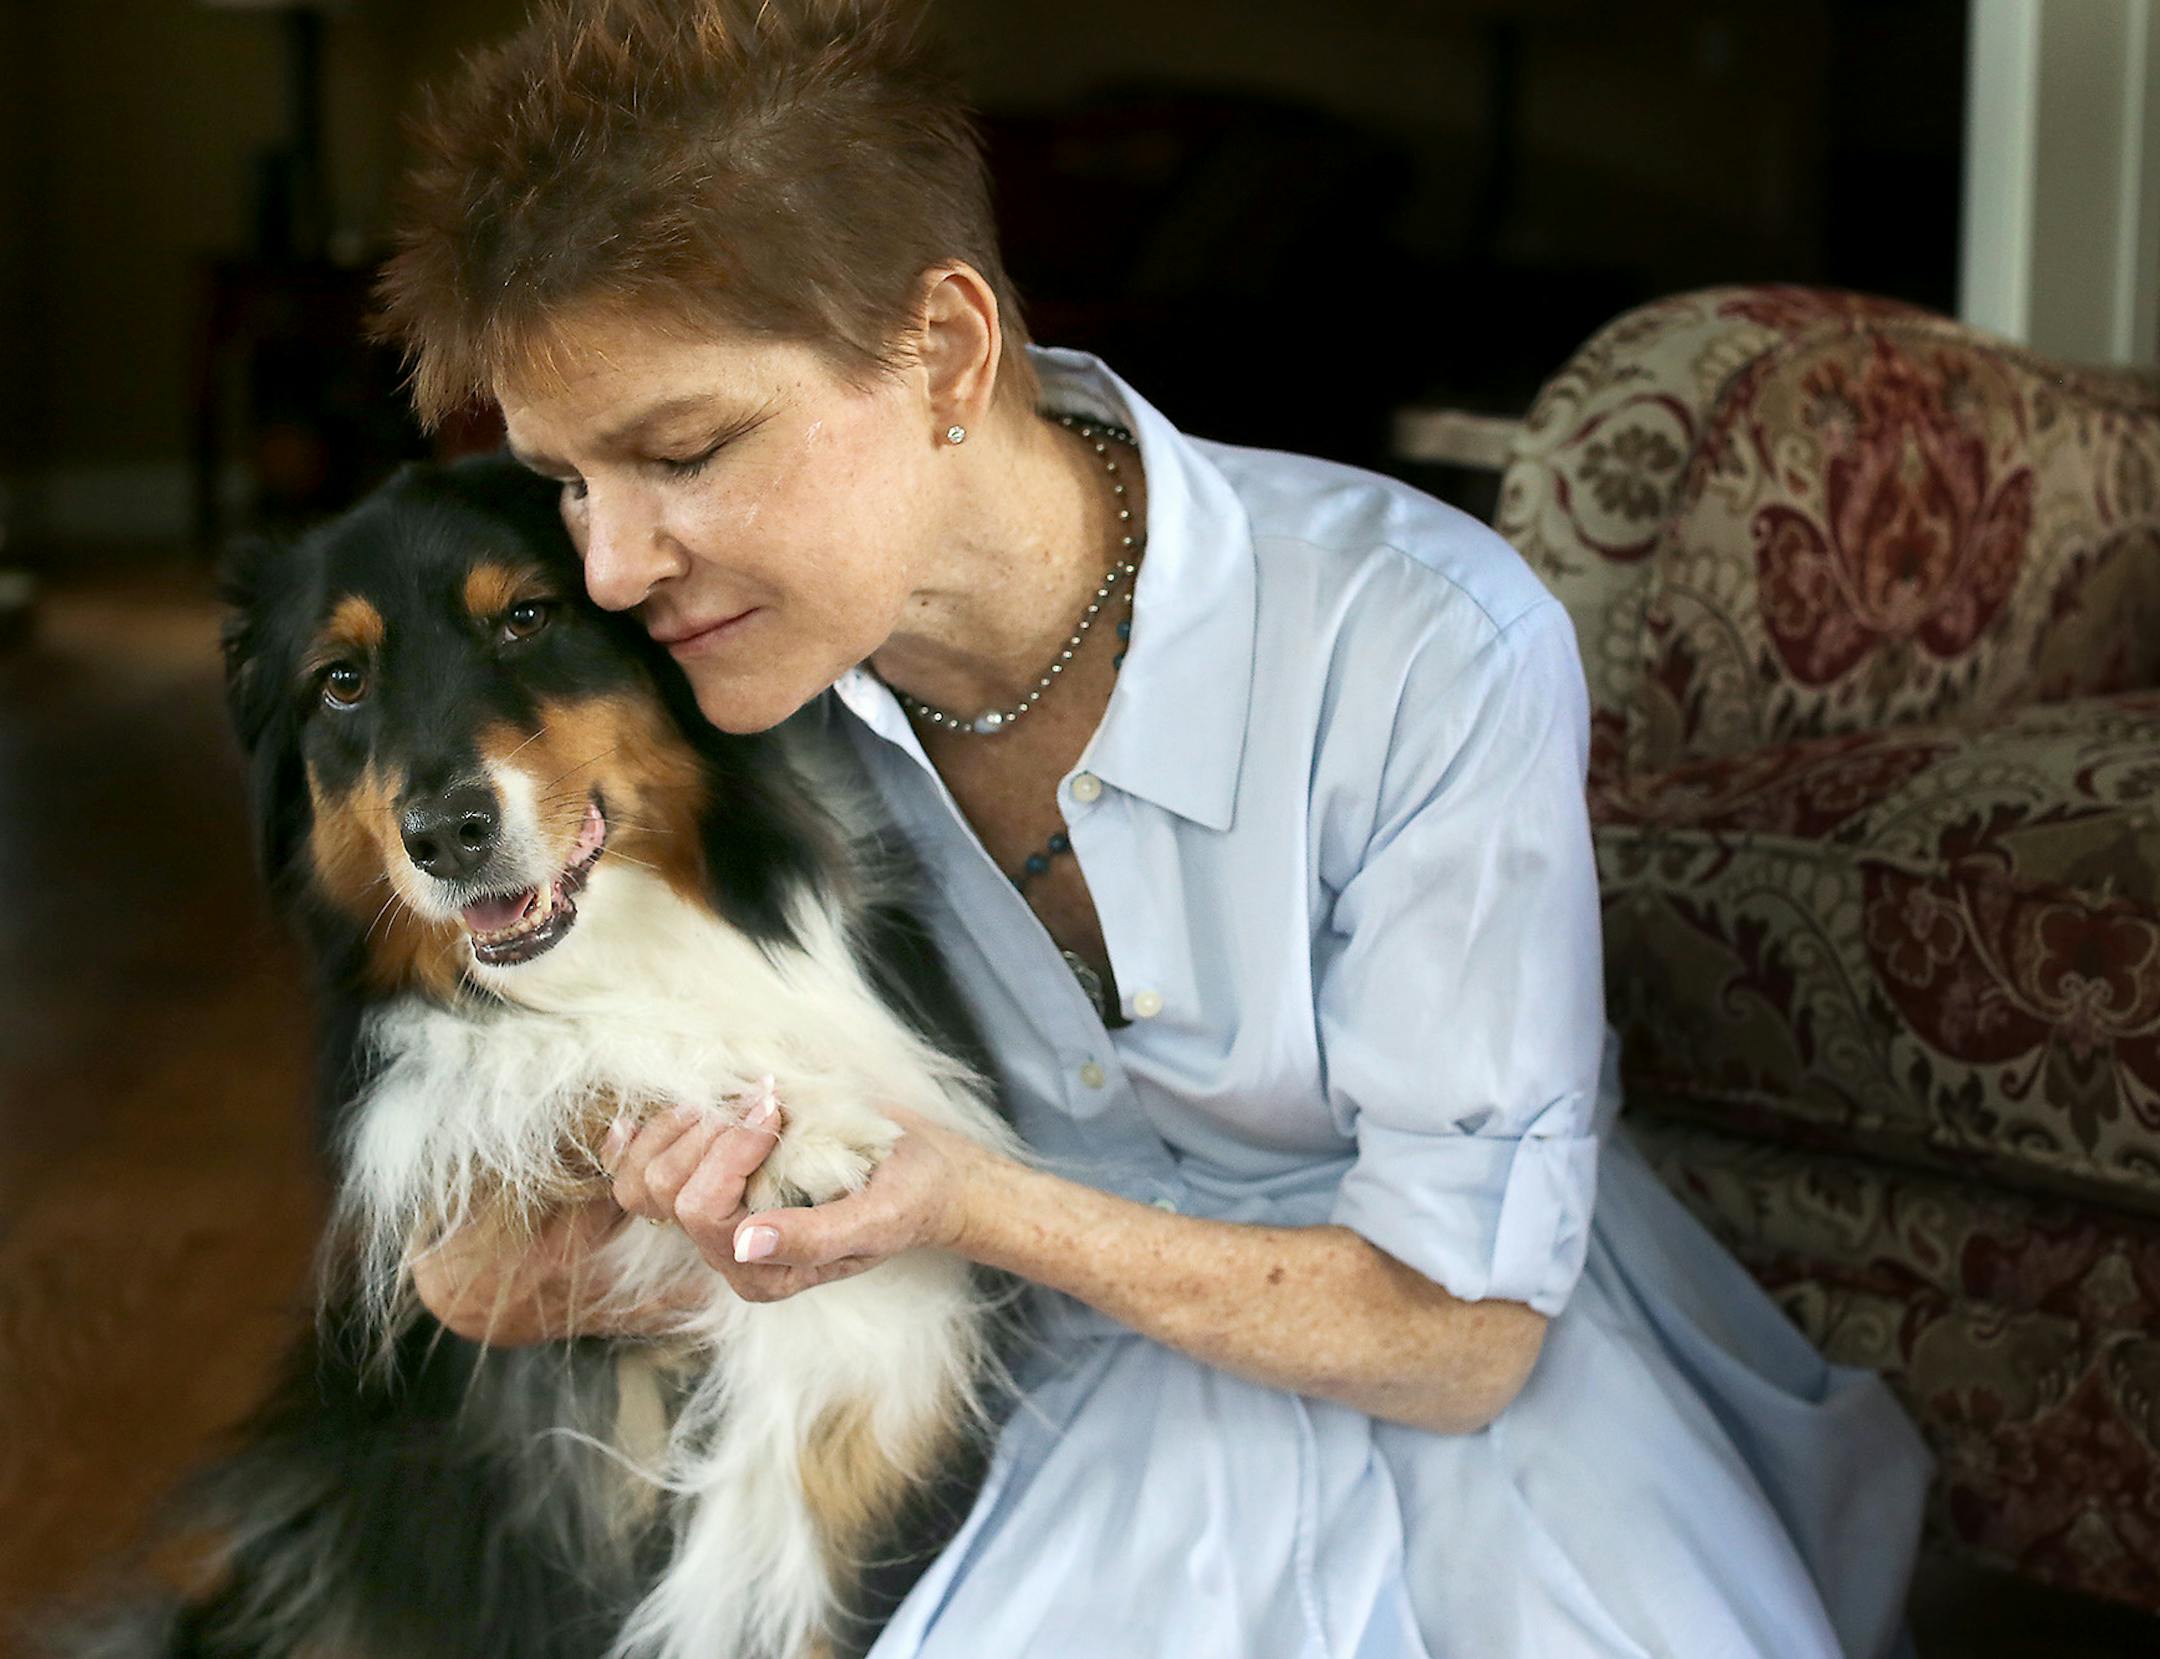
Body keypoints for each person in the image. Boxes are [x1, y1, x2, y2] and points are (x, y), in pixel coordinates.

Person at [379, 2, 1933, 1653]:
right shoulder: (693, 705)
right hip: (1070, 1416)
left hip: (1501, 1407)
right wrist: (669, 1188)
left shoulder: (1422, 642)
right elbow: (467, 1278)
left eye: (684, 451)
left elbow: (1467, 1343)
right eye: (566, 482)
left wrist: (966, 1205)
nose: (614, 564)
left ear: (948, 355)